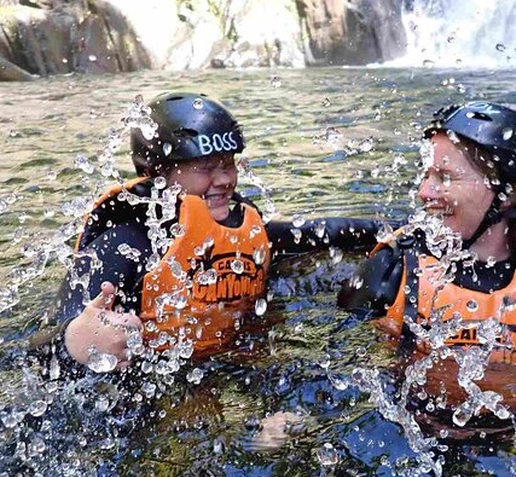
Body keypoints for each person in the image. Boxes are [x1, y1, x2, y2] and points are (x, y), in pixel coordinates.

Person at [56, 91, 387, 371]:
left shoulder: (240, 224)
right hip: (156, 381)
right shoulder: (123, 242)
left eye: (228, 163)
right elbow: (43, 346)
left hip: (231, 363)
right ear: (157, 172)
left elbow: (316, 234)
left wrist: (391, 231)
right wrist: (75, 340)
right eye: (205, 168)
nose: (226, 179)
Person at [338, 102, 516, 417]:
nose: (424, 192)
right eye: (425, 175)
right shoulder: (390, 270)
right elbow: (340, 362)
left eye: (445, 177)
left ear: (507, 195)